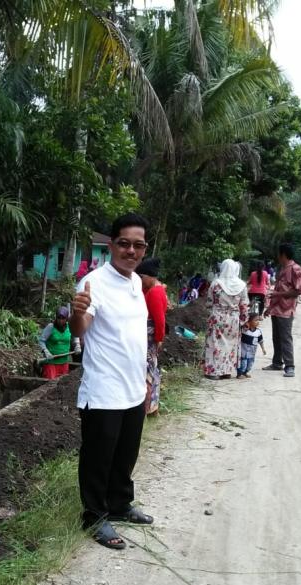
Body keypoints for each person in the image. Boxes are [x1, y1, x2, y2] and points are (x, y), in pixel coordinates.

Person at [71, 212, 153, 551]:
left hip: (133, 387)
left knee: (125, 453)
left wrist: (146, 378)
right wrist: (77, 311)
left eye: (138, 245)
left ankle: (119, 503)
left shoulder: (135, 281)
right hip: (104, 389)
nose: (130, 251)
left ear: (144, 249)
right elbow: (80, 329)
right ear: (111, 244)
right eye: (124, 243)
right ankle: (94, 516)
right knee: (98, 456)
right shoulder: (94, 283)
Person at [264, 242, 301, 378]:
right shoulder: (282, 269)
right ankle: (277, 363)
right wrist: (269, 307)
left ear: (283, 254)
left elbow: (297, 291)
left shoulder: (295, 269)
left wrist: (278, 295)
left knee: (285, 338)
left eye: (278, 254)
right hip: (276, 309)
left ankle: (290, 366)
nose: (277, 256)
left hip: (286, 310)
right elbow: (277, 289)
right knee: (276, 337)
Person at [203, 259, 249, 380]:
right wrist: (243, 321)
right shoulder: (241, 285)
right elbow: (244, 306)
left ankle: (214, 372)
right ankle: (226, 371)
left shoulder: (216, 283)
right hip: (233, 319)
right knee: (230, 345)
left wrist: (212, 310)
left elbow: (209, 302)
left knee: (215, 343)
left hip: (217, 317)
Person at [136, 258, 168, 416]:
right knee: (151, 370)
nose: (140, 281)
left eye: (141, 277)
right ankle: (151, 407)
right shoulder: (156, 289)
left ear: (150, 276)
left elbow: (159, 320)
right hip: (149, 336)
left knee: (148, 372)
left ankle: (148, 407)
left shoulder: (155, 292)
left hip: (150, 338)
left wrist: (159, 338)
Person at [38, 307, 79, 380]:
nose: (60, 320)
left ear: (66, 319)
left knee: (61, 385)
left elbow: (75, 336)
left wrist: (77, 345)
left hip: (64, 362)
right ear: (56, 317)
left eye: (63, 318)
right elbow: (41, 340)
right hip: (51, 362)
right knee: (50, 385)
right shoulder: (51, 327)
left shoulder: (69, 327)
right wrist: (46, 351)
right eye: (59, 318)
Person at [237, 313, 266, 378]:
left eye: (258, 320)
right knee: (243, 363)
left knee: (250, 364)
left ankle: (245, 372)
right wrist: (245, 325)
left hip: (252, 352)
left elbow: (260, 341)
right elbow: (240, 327)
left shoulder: (258, 332)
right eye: (255, 320)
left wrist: (263, 349)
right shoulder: (244, 330)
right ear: (249, 321)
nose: (257, 322)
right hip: (243, 352)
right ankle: (239, 373)